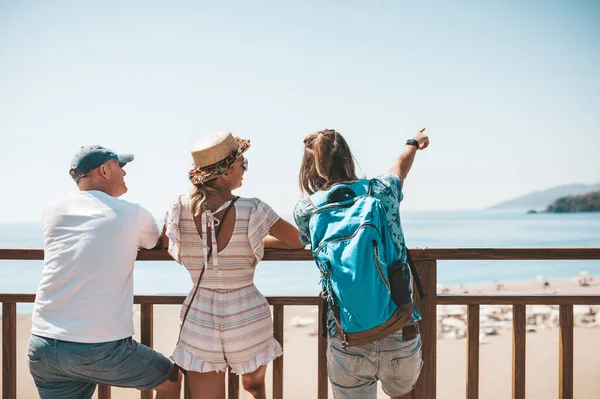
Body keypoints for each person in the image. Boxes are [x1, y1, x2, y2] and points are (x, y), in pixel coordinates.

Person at [28, 145, 182, 399]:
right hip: (99, 348)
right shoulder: (133, 213)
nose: (124, 173)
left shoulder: (52, 208)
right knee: (170, 378)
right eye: (120, 167)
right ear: (104, 170)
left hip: (42, 345)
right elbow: (158, 242)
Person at [161, 131, 304, 399]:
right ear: (225, 173)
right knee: (254, 389)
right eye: (242, 164)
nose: (244, 171)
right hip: (247, 314)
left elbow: (166, 243)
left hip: (200, 315)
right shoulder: (253, 209)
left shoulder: (177, 208)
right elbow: (297, 240)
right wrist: (256, 241)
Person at [294, 128, 430, 399]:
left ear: (308, 168)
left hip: (346, 335)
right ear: (347, 157)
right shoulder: (381, 189)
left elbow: (303, 240)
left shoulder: (307, 209)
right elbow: (400, 165)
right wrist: (413, 143)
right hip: (399, 326)